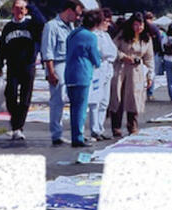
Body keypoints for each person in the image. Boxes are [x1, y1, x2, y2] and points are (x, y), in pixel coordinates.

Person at [0, 0, 42, 141]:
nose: (20, 11)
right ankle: (16, 123)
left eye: (22, 8)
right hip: (12, 66)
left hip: (28, 66)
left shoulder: (31, 25)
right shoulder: (8, 27)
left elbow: (42, 22)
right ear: (12, 10)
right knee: (10, 95)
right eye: (17, 8)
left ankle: (18, 127)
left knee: (25, 98)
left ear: (26, 10)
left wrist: (31, 6)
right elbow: (1, 47)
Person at [42, 0, 83, 146]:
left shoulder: (71, 27)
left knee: (74, 99)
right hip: (58, 64)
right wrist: (51, 72)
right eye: (77, 14)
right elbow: (47, 51)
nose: (78, 18)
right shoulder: (52, 26)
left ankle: (76, 133)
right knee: (58, 100)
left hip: (71, 64)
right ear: (69, 11)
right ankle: (56, 134)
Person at [108, 14, 153, 137]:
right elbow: (112, 48)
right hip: (121, 68)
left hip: (136, 71)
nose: (139, 28)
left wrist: (150, 75)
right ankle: (116, 126)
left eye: (141, 25)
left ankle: (132, 125)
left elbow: (149, 58)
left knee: (134, 97)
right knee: (117, 96)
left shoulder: (146, 38)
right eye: (136, 25)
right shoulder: (122, 35)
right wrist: (123, 56)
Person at [64, 9, 101, 148]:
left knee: (74, 107)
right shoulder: (91, 36)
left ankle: (76, 134)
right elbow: (95, 56)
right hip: (83, 73)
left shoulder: (73, 33)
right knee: (81, 107)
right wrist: (98, 62)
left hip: (70, 72)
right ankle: (78, 137)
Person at [87, 9, 116, 140]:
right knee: (95, 101)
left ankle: (100, 127)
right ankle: (94, 129)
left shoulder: (106, 35)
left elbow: (113, 52)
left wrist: (108, 55)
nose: (108, 24)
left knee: (105, 101)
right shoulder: (94, 35)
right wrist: (108, 54)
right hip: (97, 69)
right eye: (106, 21)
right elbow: (102, 52)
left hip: (107, 68)